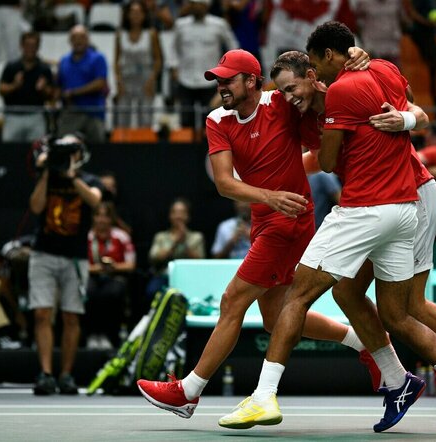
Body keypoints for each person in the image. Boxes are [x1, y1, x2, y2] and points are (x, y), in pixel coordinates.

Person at [218, 22, 436, 436]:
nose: (289, 98)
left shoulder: (345, 90)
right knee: (361, 297)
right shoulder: (341, 90)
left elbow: (397, 119)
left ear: (318, 69)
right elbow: (329, 146)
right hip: (396, 203)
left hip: (401, 195)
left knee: (387, 305)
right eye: (284, 92)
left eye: (300, 81)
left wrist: (402, 119)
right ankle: (426, 381)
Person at [136, 47, 376, 421]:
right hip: (265, 217)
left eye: (228, 79)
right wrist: (269, 197)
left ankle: (189, 390)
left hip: (291, 218)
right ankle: (365, 341)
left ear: (251, 80)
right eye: (218, 80)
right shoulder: (217, 118)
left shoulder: (280, 102)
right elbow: (224, 184)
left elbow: (318, 98)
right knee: (274, 318)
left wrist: (358, 60)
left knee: (233, 301)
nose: (221, 85)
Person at [28, 134, 102, 395]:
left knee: (71, 315)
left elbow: (95, 200)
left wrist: (71, 175)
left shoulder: (89, 179)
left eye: (72, 151)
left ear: (81, 154)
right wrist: (48, 171)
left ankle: (66, 375)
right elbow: (36, 207)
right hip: (44, 254)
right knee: (42, 313)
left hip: (75, 257)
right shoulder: (47, 178)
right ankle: (46, 373)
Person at [168, 0, 238, 134]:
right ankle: (187, 152)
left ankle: (208, 151)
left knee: (211, 119)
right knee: (186, 119)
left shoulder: (219, 24)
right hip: (185, 79)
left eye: (199, 4)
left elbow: (233, 46)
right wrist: (174, 66)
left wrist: (227, 70)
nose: (196, 7)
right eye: (193, 3)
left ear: (206, 6)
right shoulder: (180, 25)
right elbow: (172, 48)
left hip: (211, 80)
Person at [85, 201, 136, 349]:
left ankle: (109, 335)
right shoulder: (87, 237)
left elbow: (131, 265)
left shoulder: (121, 236)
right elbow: (81, 266)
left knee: (112, 293)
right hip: (93, 276)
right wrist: (98, 269)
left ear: (111, 219)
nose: (101, 220)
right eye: (98, 216)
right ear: (93, 218)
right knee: (89, 292)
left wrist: (114, 267)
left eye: (105, 216)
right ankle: (93, 334)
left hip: (116, 276)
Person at [56, 25, 109, 144]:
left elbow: (100, 83)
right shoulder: (64, 61)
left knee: (98, 150)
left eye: (82, 37)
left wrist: (74, 92)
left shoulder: (98, 58)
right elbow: (59, 86)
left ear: (88, 39)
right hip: (71, 113)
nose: (78, 40)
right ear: (70, 40)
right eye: (75, 37)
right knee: (64, 148)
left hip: (94, 112)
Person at [114, 0, 163, 128]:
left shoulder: (151, 34)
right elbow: (116, 60)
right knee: (122, 117)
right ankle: (122, 146)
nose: (135, 15)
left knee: (146, 117)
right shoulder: (120, 34)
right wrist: (118, 81)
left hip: (145, 78)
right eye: (132, 12)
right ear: (127, 15)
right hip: (126, 79)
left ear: (144, 15)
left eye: (139, 12)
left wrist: (152, 80)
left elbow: (158, 60)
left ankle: (145, 146)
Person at [0, 31, 54, 143]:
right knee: (9, 151)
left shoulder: (44, 69)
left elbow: (52, 95)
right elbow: (1, 89)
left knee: (36, 151)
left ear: (38, 47)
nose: (30, 49)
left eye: (33, 46)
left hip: (36, 115)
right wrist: (14, 85)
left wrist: (43, 89)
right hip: (13, 115)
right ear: (21, 46)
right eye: (27, 45)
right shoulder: (12, 66)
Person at [147, 197, 205, 298]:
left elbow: (201, 260)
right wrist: (175, 243)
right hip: (164, 276)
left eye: (182, 212)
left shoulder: (196, 237)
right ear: (170, 215)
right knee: (152, 291)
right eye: (175, 212)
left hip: (190, 277)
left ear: (188, 216)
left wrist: (184, 243)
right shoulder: (160, 237)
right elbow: (154, 258)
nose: (178, 216)